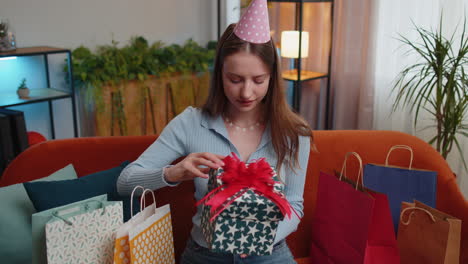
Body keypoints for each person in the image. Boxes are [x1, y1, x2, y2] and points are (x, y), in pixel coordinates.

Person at [117, 1, 312, 263]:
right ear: (219, 74)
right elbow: (125, 182)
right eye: (235, 79)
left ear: (272, 77)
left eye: (258, 80)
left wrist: (259, 236)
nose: (246, 93)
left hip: (270, 253)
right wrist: (175, 173)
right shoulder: (190, 123)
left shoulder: (294, 133)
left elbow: (295, 205)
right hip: (205, 256)